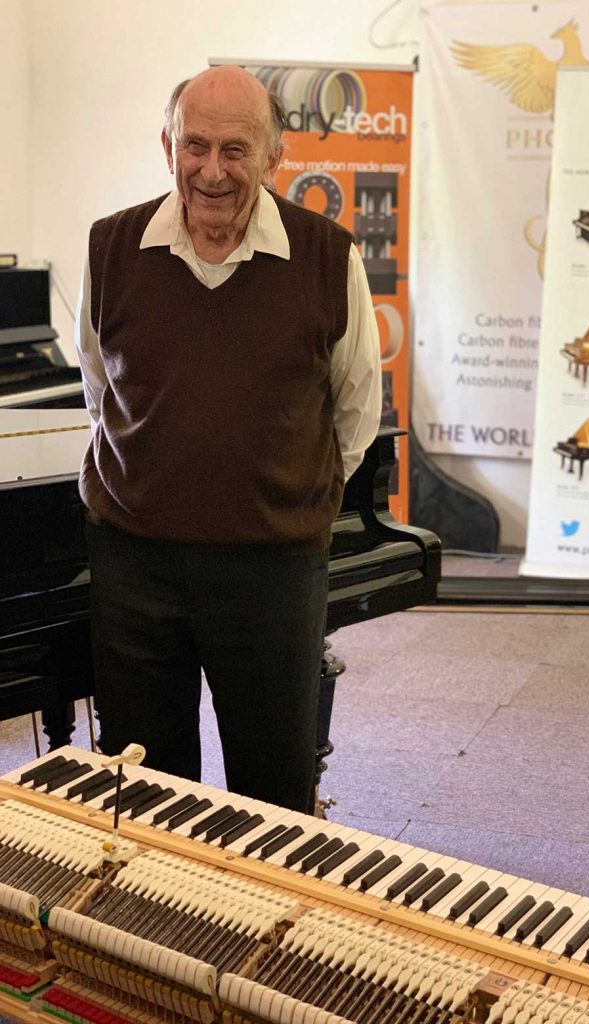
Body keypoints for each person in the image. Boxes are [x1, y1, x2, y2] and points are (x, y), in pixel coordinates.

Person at [74, 66, 381, 814]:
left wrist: (274, 497)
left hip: (271, 570)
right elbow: (101, 387)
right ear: (168, 147)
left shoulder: (328, 256)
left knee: (272, 788)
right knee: (143, 785)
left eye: (235, 150)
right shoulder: (110, 247)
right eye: (196, 146)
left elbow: (355, 413)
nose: (212, 171)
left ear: (274, 156)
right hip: (135, 565)